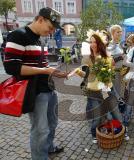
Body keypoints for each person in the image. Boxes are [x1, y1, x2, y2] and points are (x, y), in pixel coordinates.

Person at [3, 7, 68, 160]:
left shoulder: (39, 37)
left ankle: (49, 147)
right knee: (40, 129)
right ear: (40, 19)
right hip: (36, 91)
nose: (51, 31)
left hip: (49, 88)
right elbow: (11, 67)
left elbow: (40, 66)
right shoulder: (18, 35)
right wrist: (45, 71)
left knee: (52, 123)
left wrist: (53, 72)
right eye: (50, 27)